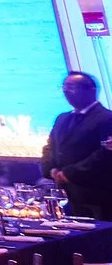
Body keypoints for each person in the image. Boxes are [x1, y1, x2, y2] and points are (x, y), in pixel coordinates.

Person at [47, 72, 112, 218]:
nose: (65, 91)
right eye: (64, 86)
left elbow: (106, 153)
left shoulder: (107, 118)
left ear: (91, 90)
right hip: (64, 194)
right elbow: (51, 146)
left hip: (96, 195)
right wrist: (51, 170)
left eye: (71, 87)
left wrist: (69, 173)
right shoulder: (62, 118)